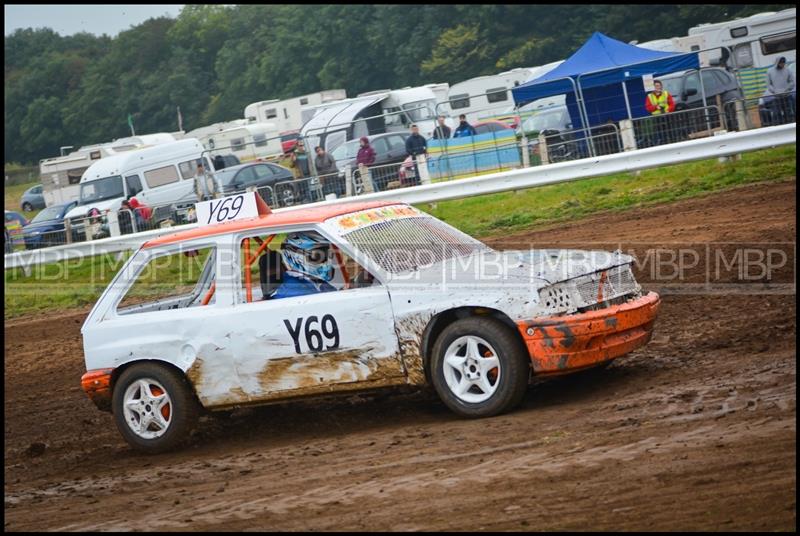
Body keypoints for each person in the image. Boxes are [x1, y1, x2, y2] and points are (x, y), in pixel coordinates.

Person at [269, 232, 337, 299]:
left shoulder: (311, 280)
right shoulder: (295, 291)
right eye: (317, 256)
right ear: (293, 256)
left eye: (327, 254)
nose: (326, 262)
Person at [763, 56, 796, 125]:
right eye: (781, 63)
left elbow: (792, 82)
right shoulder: (769, 71)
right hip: (776, 97)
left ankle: (791, 125)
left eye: (783, 63)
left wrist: (787, 89)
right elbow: (769, 85)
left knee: (789, 112)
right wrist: (775, 91)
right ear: (777, 62)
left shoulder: (788, 70)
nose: (782, 64)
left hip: (787, 95)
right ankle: (779, 127)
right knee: (777, 113)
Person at [644, 80, 675, 145]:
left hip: (667, 116)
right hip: (657, 118)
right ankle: (662, 143)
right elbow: (648, 108)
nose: (657, 87)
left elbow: (672, 104)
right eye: (655, 86)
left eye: (658, 86)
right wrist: (656, 107)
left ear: (661, 86)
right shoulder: (649, 96)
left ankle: (672, 141)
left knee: (670, 131)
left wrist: (668, 111)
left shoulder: (666, 93)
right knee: (660, 133)